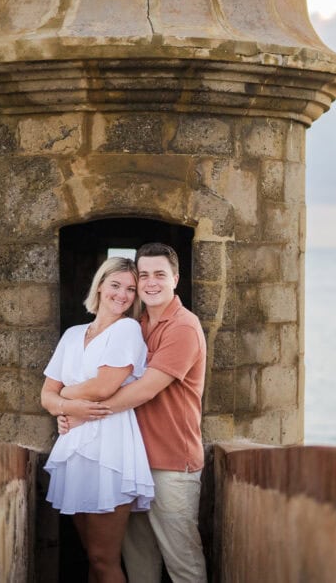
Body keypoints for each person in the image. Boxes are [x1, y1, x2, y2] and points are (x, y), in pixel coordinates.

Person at [59, 243, 208, 583]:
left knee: (182, 561)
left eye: (160, 275)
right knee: (139, 564)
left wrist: (77, 409)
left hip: (171, 462)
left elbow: (144, 390)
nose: (150, 283)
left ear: (176, 279)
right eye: (144, 275)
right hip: (130, 461)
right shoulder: (135, 325)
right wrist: (67, 407)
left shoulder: (183, 327)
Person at [40, 256, 155, 583]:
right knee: (92, 556)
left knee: (105, 559)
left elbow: (104, 387)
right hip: (75, 449)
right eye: (115, 285)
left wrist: (63, 402)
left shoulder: (127, 329)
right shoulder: (73, 334)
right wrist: (65, 407)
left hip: (110, 450)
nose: (122, 294)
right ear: (100, 285)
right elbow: (45, 394)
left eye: (131, 289)